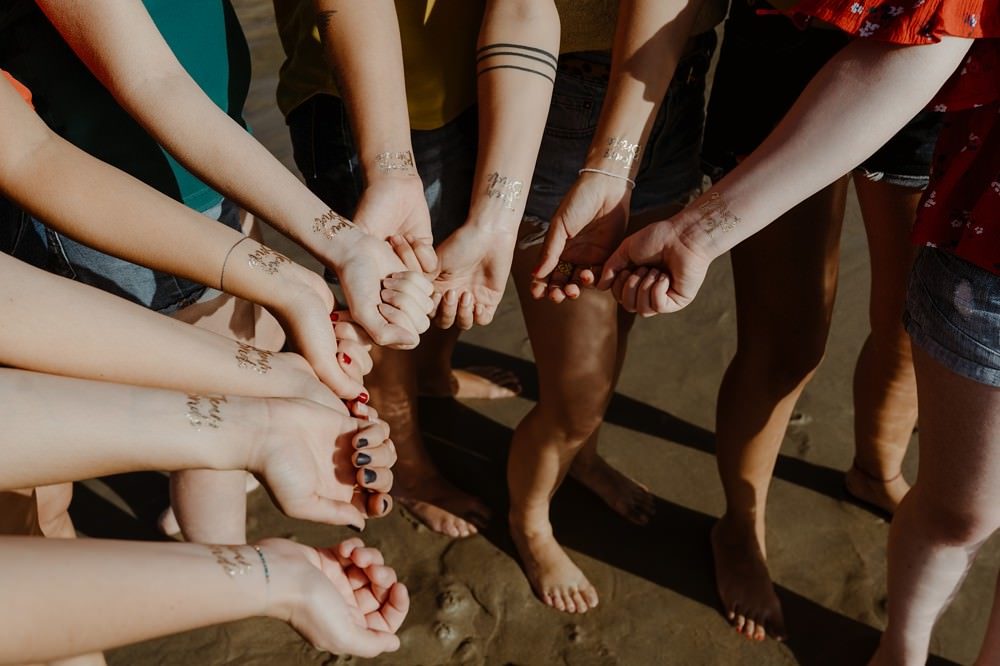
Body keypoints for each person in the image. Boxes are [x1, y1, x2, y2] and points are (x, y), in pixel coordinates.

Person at [595, 7, 998, 662]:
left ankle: (874, 470)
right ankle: (739, 527)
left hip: (942, 53)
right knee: (787, 343)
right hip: (792, 32)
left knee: (908, 332)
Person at [0, 0, 434, 545]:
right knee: (39, 500)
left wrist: (301, 281)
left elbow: (30, 156)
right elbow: (41, 154)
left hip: (200, 160)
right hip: (122, 178)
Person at [273, 0, 560, 536]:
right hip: (349, 91)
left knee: (446, 268)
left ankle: (434, 376)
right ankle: (405, 465)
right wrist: (392, 168)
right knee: (383, 294)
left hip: (471, 77)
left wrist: (497, 221)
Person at [505, 0, 725, 613]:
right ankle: (529, 521)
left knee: (624, 307)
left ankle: (585, 458)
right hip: (566, 86)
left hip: (679, 75)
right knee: (577, 391)